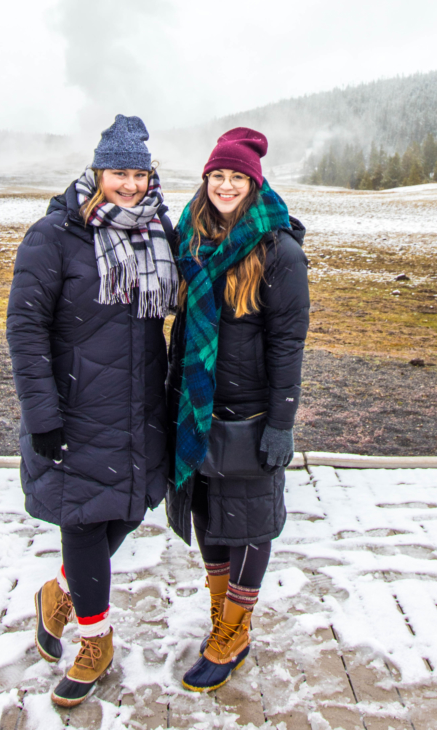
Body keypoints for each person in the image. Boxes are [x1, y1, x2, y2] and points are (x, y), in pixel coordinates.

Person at [6, 114, 178, 708]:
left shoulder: (160, 229)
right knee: (81, 521)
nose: (129, 185)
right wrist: (42, 415)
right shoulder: (53, 235)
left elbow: (210, 266)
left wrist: (273, 236)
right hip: (76, 407)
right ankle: (95, 637)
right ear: (97, 171)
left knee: (129, 508)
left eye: (138, 173)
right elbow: (24, 329)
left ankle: (58, 594)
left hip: (141, 405)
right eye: (118, 172)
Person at [166, 126, 310, 693]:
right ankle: (221, 613)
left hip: (249, 414)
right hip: (198, 407)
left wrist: (281, 422)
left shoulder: (279, 251)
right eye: (217, 176)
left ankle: (236, 628)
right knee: (208, 514)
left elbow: (287, 344)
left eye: (237, 177)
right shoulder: (191, 239)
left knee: (249, 521)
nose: (226, 185)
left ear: (254, 184)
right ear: (206, 181)